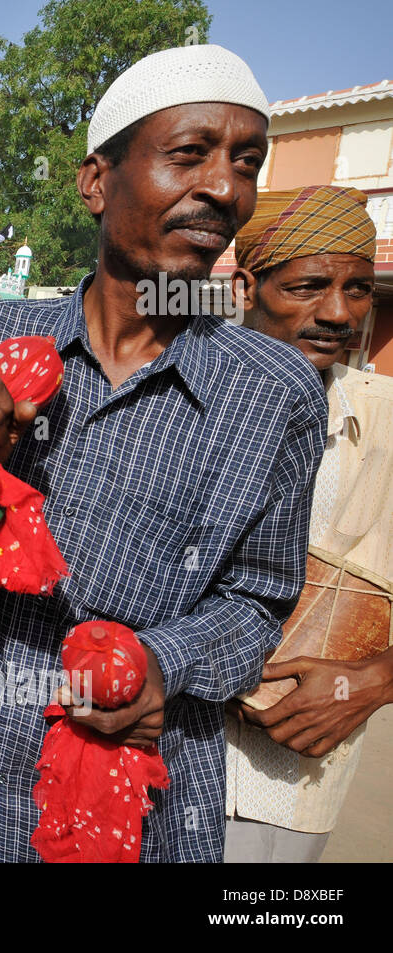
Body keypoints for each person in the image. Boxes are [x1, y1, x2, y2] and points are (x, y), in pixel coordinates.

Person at [0, 44, 327, 863]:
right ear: (95, 181)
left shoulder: (276, 393)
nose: (223, 187)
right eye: (190, 154)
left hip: (129, 802)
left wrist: (161, 662)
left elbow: (260, 601)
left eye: (246, 163)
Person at [223, 185, 393, 862]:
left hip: (284, 793)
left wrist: (376, 678)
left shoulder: (383, 423)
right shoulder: (174, 400)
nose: (338, 313)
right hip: (147, 759)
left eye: (357, 289)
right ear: (244, 286)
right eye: (309, 285)